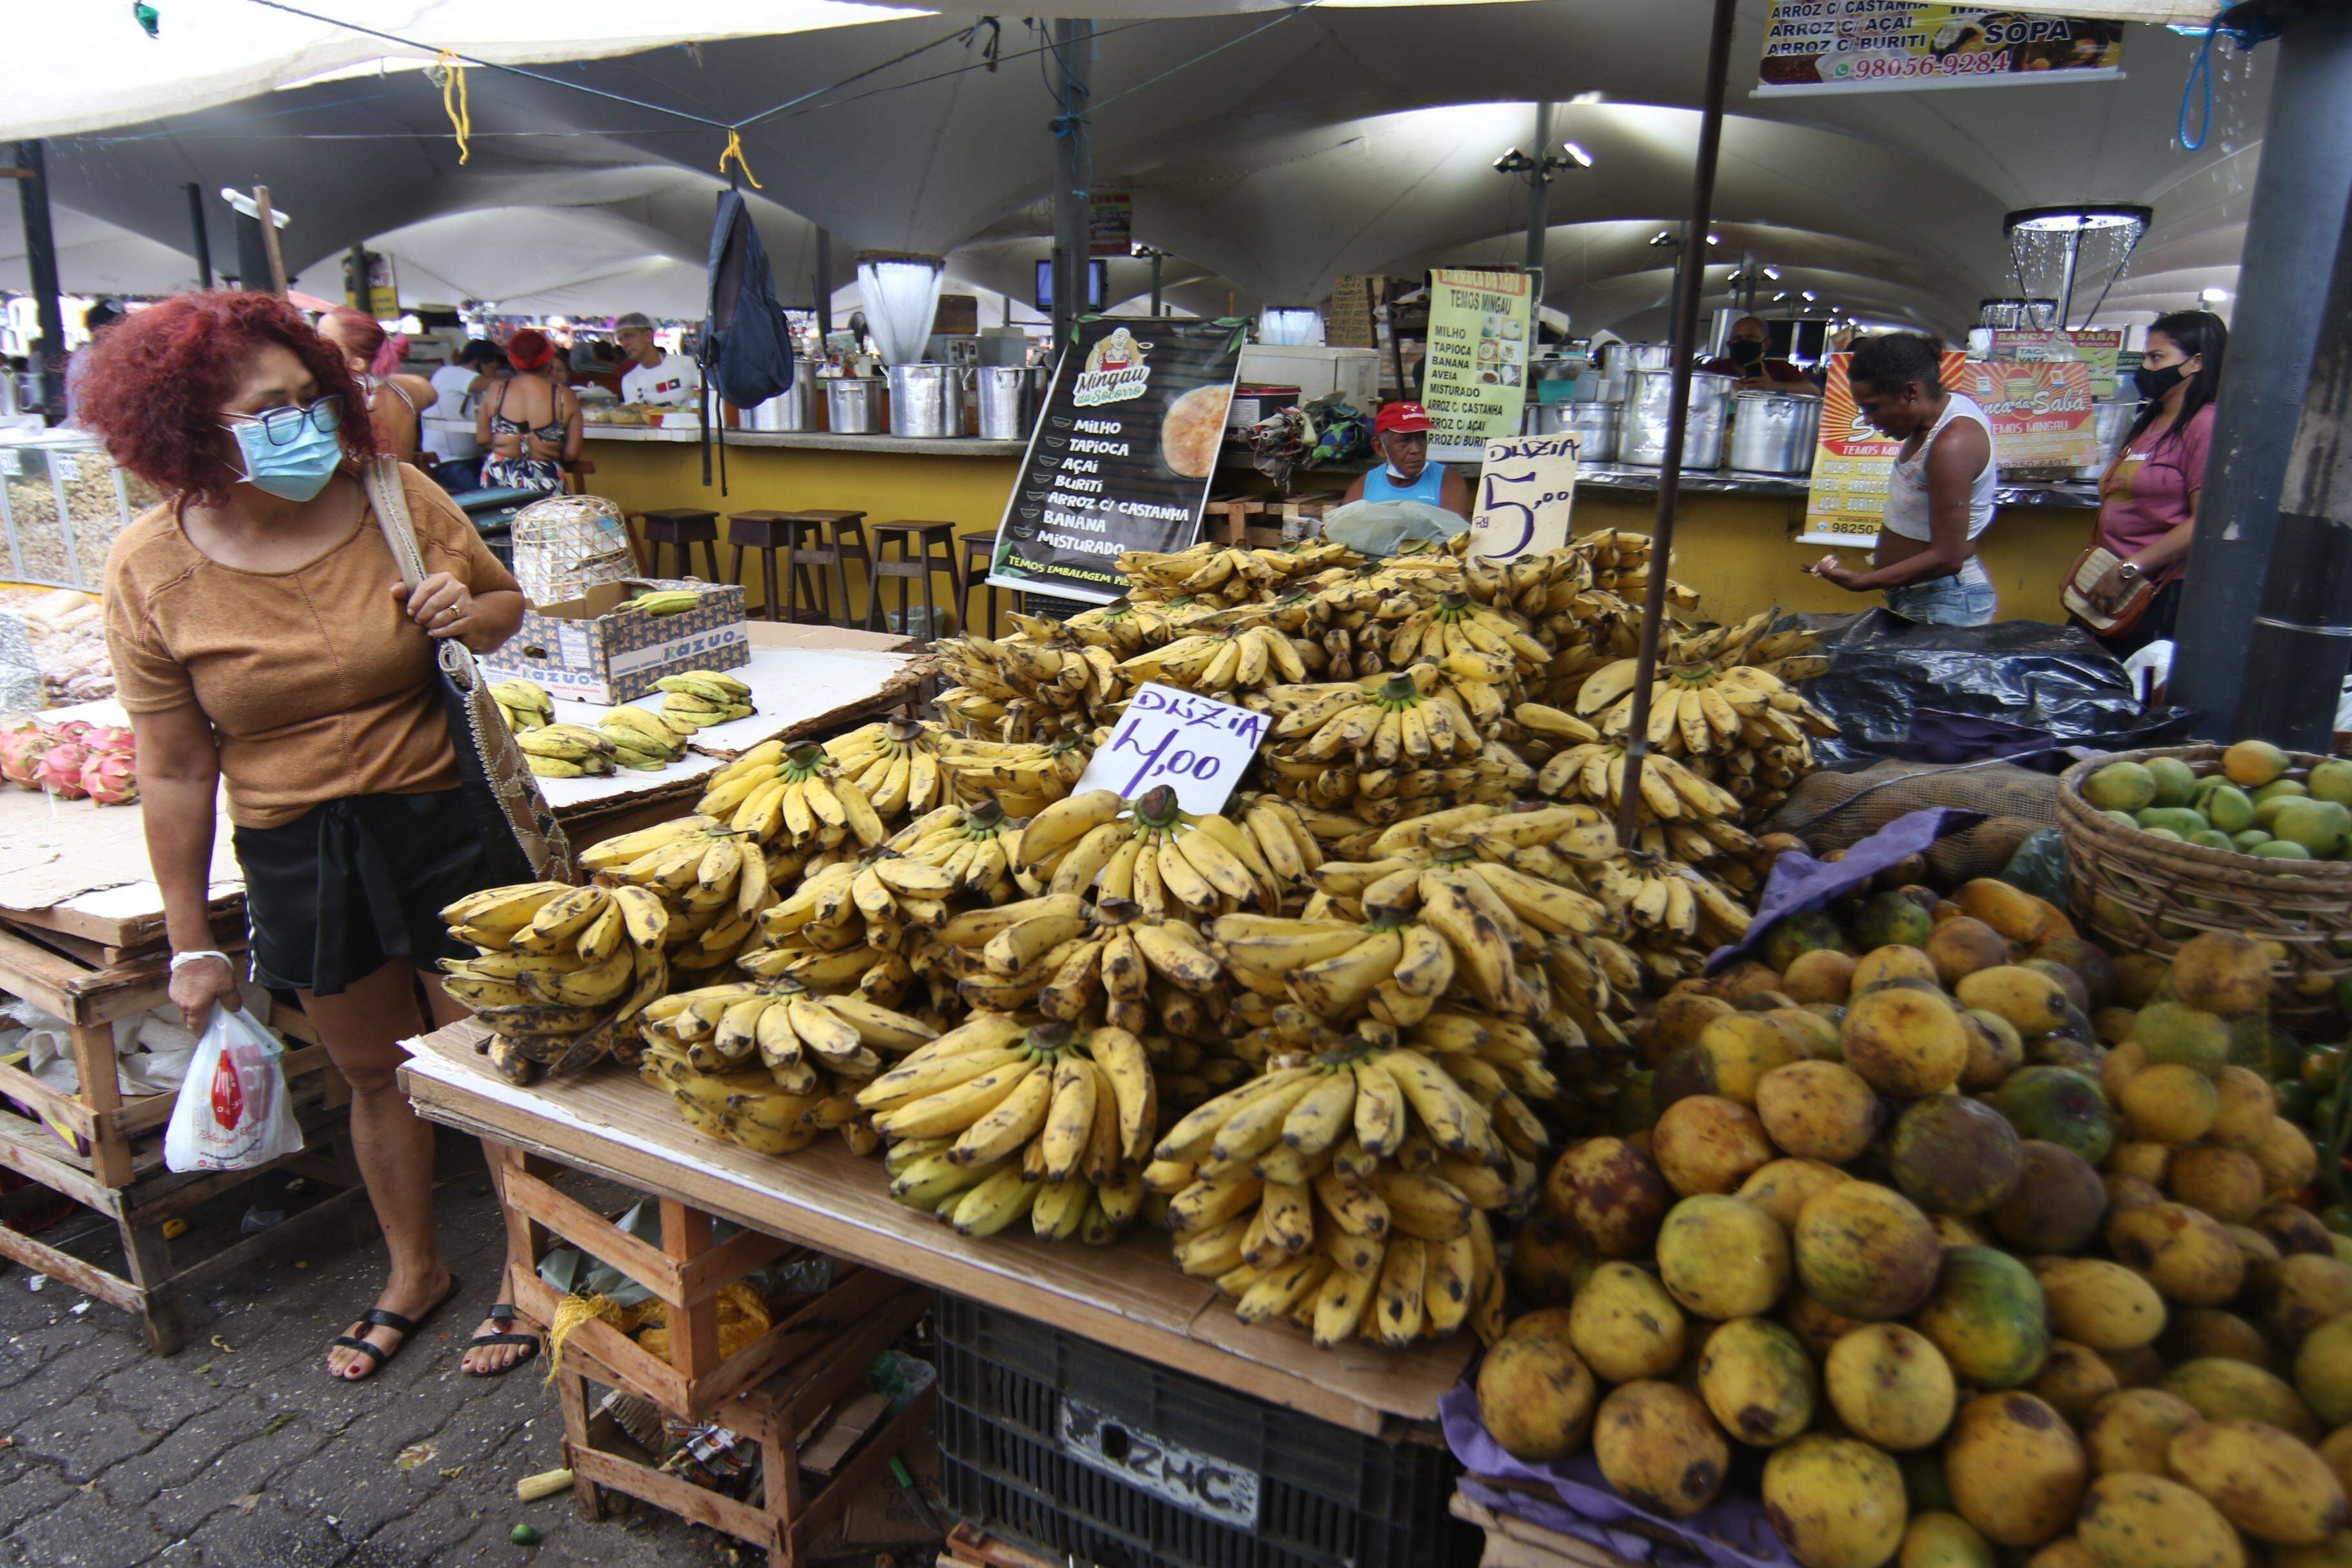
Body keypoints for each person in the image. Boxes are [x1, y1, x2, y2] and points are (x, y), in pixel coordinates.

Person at [76, 290, 541, 1381]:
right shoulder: (150, 569)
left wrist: (462, 611)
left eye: (304, 398)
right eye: (261, 410)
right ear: (188, 430)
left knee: (491, 1059)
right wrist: (192, 943)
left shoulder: (393, 493)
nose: (298, 424)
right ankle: (414, 1270)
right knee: (372, 1074)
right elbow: (177, 768)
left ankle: (528, 1267)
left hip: (441, 818)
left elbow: (506, 602)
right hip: (296, 846)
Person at [1806, 331, 1999, 625]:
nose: (1867, 419)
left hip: (1946, 602)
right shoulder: (1937, 415)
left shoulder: (1952, 444)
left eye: (1873, 407)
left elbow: (1949, 557)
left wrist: (1863, 582)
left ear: (1911, 392)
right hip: (1923, 596)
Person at [2073, 309, 2226, 655]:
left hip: (2157, 592)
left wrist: (2130, 569)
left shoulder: (2206, 426)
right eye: (2145, 356)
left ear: (2196, 363)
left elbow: (2205, 522)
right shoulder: (2150, 421)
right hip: (2110, 586)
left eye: (2156, 357)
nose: (2146, 367)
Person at [317, 308, 438, 463]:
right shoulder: (403, 390)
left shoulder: (343, 399)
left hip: (362, 487)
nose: (314, 345)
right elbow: (430, 392)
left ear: (357, 363)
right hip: (402, 485)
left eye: (323, 340)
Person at [475, 328, 580, 497]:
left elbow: (483, 439)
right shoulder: (564, 396)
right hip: (546, 481)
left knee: (499, 523)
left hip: (499, 480)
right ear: (548, 359)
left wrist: (510, 446)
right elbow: (571, 453)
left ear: (512, 360)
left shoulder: (497, 390)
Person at [1341, 402, 1474, 517]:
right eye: (1405, 441)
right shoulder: (1363, 487)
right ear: (1380, 447)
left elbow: (1457, 538)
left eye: (1421, 438)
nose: (1416, 449)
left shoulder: (1448, 481)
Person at [420, 339, 501, 491]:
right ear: (479, 362)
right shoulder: (450, 374)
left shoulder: (475, 387)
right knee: (487, 497)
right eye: (493, 368)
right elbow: (496, 384)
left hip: (475, 461)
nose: (495, 374)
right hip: (449, 463)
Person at [615, 312, 699, 407]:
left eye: (629, 336)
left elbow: (705, 395)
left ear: (648, 336)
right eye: (621, 340)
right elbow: (634, 415)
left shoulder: (685, 364)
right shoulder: (630, 380)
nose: (625, 344)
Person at [1703, 315, 1809, 389]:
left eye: (1751, 338)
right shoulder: (1714, 369)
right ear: (1729, 344)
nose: (1744, 342)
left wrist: (1772, 386)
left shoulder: (1780, 368)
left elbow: (1813, 391)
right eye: (1738, 338)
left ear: (1766, 344)